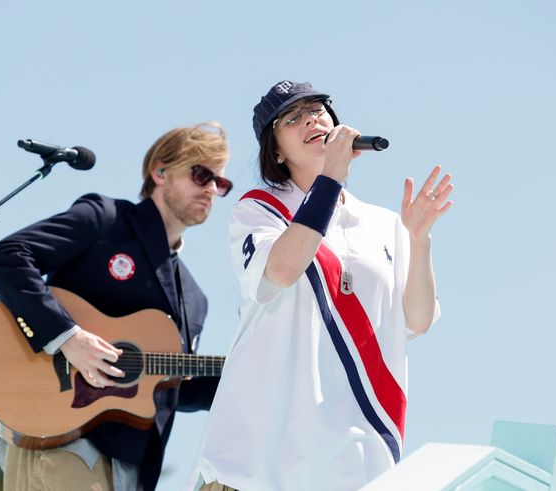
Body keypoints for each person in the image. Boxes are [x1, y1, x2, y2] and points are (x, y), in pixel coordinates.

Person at [189, 81, 454, 491]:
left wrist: (419, 240)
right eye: (291, 118)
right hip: (254, 466)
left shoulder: (386, 223)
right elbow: (280, 270)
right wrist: (330, 178)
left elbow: (417, 322)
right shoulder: (260, 208)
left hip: (353, 469)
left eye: (318, 109)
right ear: (276, 150)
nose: (311, 118)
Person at [0, 122, 232, 491]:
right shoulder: (106, 219)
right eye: (201, 175)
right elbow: (8, 257)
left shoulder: (195, 299)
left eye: (221, 183)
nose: (211, 189)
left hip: (132, 467)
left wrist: (247, 378)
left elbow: (171, 386)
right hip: (62, 441)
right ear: (159, 172)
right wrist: (69, 338)